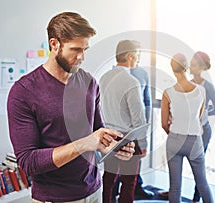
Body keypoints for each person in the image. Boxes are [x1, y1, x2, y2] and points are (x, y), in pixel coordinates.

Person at [7, 12, 135, 203]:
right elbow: (28, 162)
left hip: (93, 192)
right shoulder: (23, 92)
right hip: (54, 198)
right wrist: (85, 143)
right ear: (54, 44)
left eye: (85, 49)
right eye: (75, 49)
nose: (82, 57)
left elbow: (97, 133)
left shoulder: (90, 82)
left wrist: (115, 148)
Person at [100, 40, 149, 203]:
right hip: (128, 139)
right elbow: (139, 119)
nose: (138, 60)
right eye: (138, 56)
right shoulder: (131, 82)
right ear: (130, 56)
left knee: (108, 179)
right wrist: (143, 144)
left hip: (108, 137)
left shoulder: (103, 78)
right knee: (129, 182)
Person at [161, 53, 214, 203]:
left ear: (172, 69)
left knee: (175, 186)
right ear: (187, 67)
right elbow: (198, 116)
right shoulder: (201, 91)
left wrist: (173, 134)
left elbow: (164, 123)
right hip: (194, 141)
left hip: (174, 140)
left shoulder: (167, 93)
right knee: (202, 183)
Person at [112, 66, 154, 199]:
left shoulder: (142, 74)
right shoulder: (113, 75)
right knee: (114, 169)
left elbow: (147, 101)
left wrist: (144, 126)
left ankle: (137, 188)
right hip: (117, 128)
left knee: (133, 168)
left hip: (135, 127)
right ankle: (113, 193)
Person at [189, 51, 215, 203]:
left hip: (203, 131)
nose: (190, 66)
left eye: (194, 64)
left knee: (198, 167)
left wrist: (202, 113)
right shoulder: (188, 83)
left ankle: (196, 198)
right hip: (188, 129)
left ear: (201, 67)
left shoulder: (208, 86)